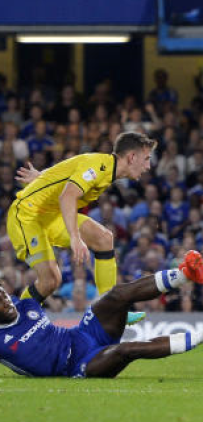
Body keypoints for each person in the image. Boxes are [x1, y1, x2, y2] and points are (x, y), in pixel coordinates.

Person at [0, 249, 203, 378]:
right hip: (79, 364)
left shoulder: (25, 303)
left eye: (3, 293)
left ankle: (185, 274)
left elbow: (50, 280)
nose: (6, 300)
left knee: (116, 295)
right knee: (126, 350)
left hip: (83, 334)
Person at [7, 132, 156, 311]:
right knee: (50, 281)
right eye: (146, 159)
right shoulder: (99, 167)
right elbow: (67, 196)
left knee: (104, 238)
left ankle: (110, 310)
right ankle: (19, 320)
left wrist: (43, 177)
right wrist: (75, 237)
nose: (148, 166)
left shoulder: (104, 166)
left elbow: (69, 168)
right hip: (27, 216)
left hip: (52, 215)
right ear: (131, 157)